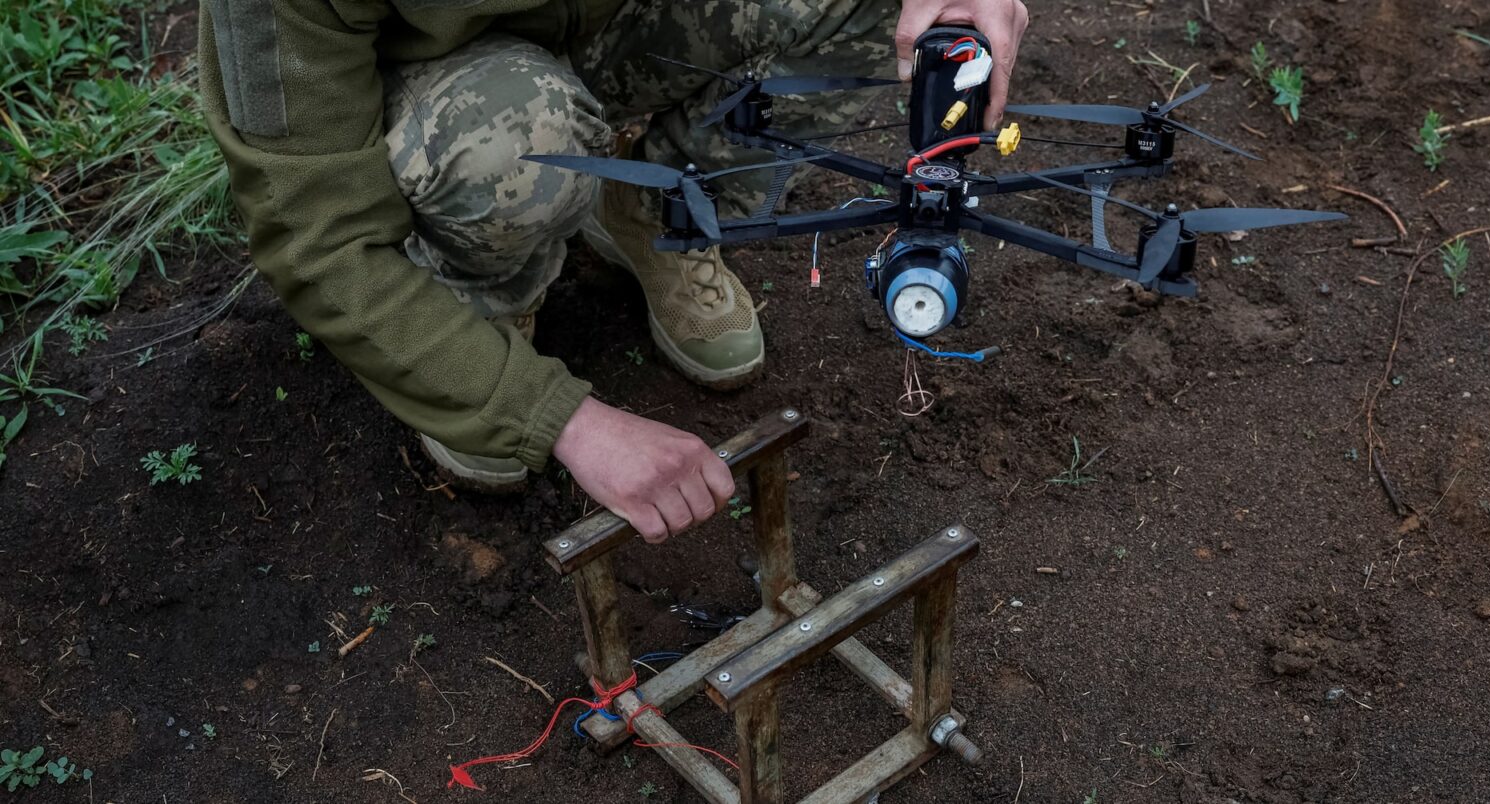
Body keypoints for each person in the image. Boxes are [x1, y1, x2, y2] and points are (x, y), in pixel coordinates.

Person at [199, 0, 1028, 543]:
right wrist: (557, 416)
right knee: (513, 149)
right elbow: (320, 241)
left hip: (595, 20)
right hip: (429, 90)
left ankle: (655, 213)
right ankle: (482, 296)